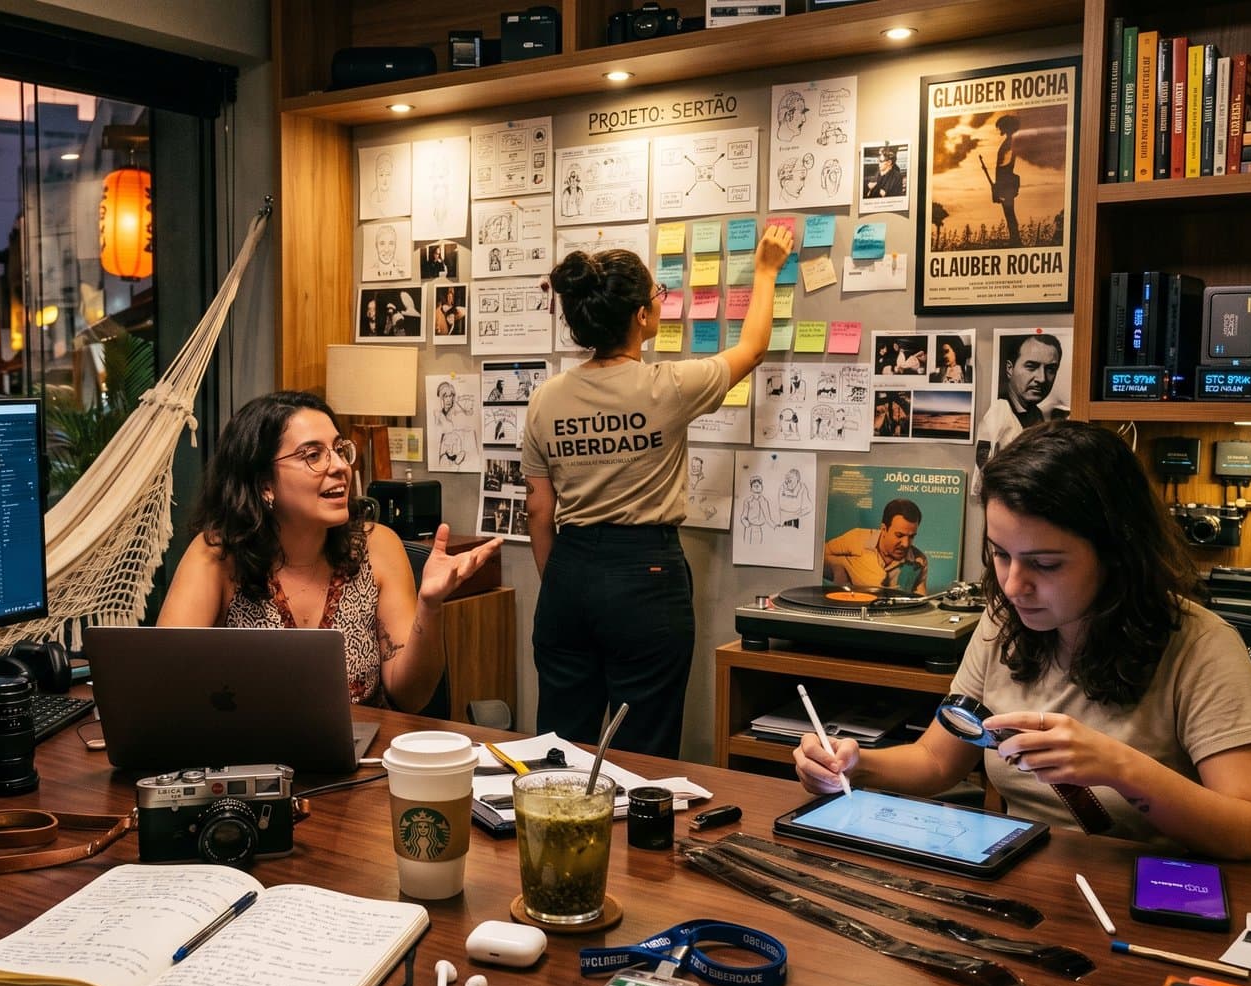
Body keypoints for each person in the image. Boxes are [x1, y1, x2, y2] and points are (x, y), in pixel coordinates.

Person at [794, 423, 1251, 863]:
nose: (1013, 586)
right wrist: (854, 764)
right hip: (1024, 875)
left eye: (1045, 564)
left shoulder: (1201, 647)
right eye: (1000, 555)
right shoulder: (1003, 619)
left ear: (1117, 554)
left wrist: (1120, 768)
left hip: (1146, 899)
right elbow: (937, 761)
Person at [523, 223, 795, 757]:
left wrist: (563, 579)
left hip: (569, 571)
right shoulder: (667, 387)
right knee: (642, 747)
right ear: (642, 317)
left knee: (558, 746)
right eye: (656, 296)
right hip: (646, 574)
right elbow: (754, 348)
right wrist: (765, 270)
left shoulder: (545, 399)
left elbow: (538, 508)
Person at [156, 391, 501, 712]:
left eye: (338, 449)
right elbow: (161, 685)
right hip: (253, 763)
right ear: (264, 485)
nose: (339, 466)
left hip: (362, 765)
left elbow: (411, 697)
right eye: (313, 455)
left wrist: (430, 606)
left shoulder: (378, 547)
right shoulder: (217, 554)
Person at [976, 334, 1067, 457]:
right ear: (1010, 369)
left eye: (1050, 369)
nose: (1042, 378)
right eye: (1031, 367)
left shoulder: (1035, 414)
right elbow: (984, 473)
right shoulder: (999, 414)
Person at [822, 497, 928, 593]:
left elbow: (920, 600)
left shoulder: (919, 562)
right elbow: (818, 557)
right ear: (884, 529)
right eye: (899, 535)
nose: (905, 544)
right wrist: (838, 568)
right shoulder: (856, 538)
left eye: (911, 536)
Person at [992, 114, 1023, 247]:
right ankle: (1014, 239)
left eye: (1001, 126)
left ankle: (1015, 240)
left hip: (1006, 183)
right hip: (1005, 182)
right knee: (1009, 212)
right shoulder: (1011, 141)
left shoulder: (1010, 142)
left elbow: (1005, 164)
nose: (1000, 129)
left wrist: (998, 185)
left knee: (1009, 212)